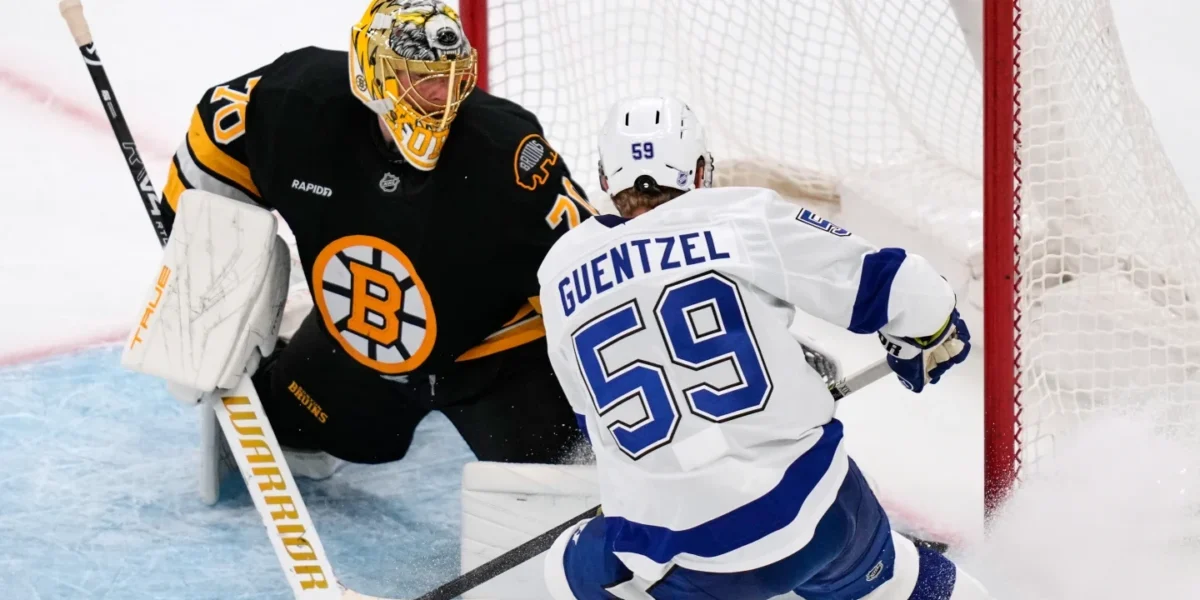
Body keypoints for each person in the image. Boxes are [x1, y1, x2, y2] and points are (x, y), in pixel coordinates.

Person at [537, 96, 992, 599]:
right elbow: (908, 291)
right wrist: (927, 335)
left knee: (565, 571)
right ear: (701, 170)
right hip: (818, 512)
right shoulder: (739, 216)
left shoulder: (558, 273)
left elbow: (595, 421)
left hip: (687, 557)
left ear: (606, 179)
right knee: (894, 578)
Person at [159, 0, 595, 500]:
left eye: (451, 76)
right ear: (372, 74)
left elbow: (585, 276)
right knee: (296, 428)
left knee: (565, 488)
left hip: (495, 357)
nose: (442, 93)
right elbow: (210, 156)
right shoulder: (296, 104)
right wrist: (200, 299)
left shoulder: (507, 152)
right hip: (361, 345)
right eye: (421, 77)